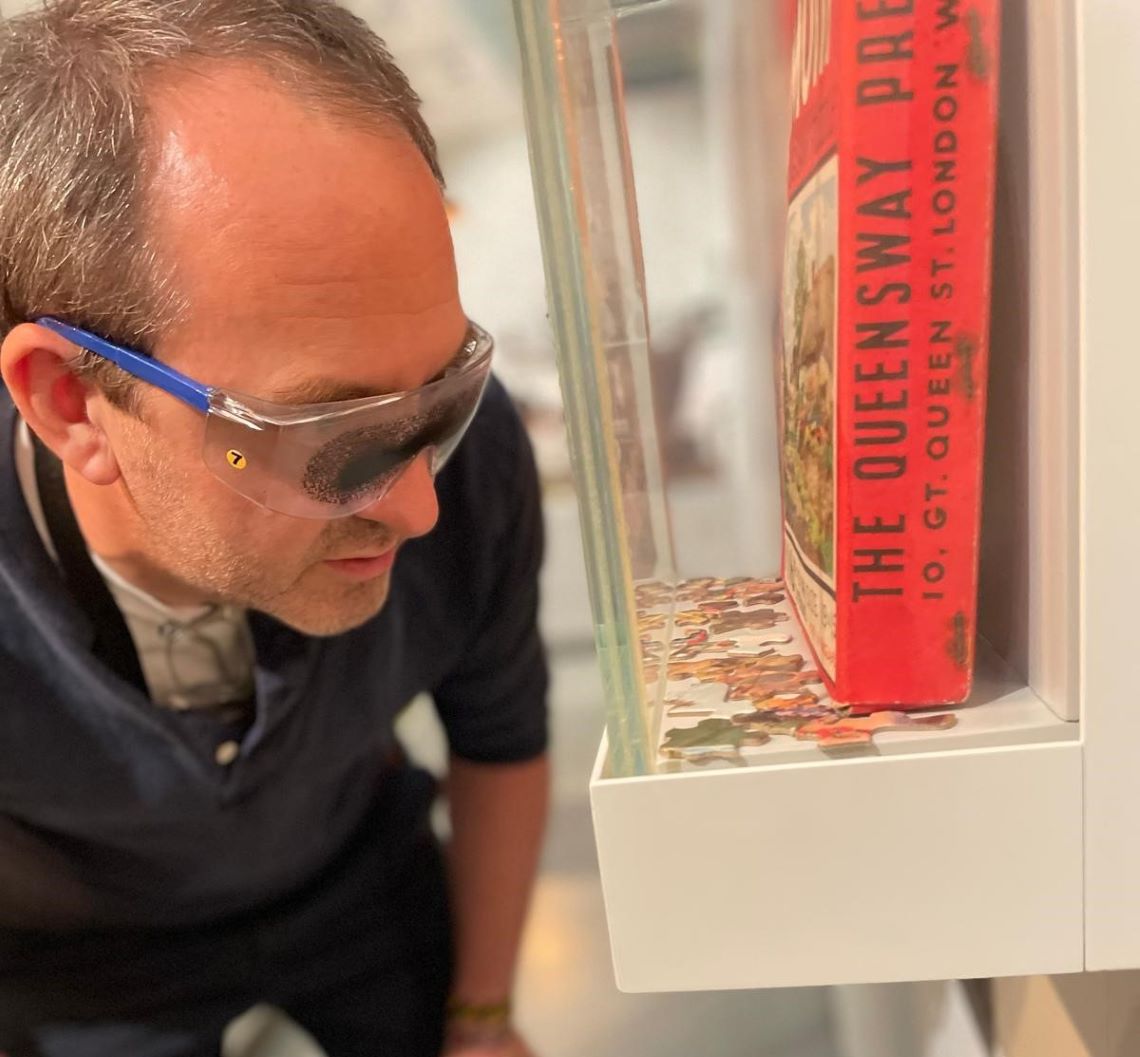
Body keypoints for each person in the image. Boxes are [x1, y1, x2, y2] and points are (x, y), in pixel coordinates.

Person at [0, 2, 550, 1055]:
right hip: (78, 956)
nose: (417, 504)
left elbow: (502, 731)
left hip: (356, 873)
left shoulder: (471, 473)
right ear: (72, 402)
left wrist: (483, 1014)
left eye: (443, 391)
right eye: (325, 432)